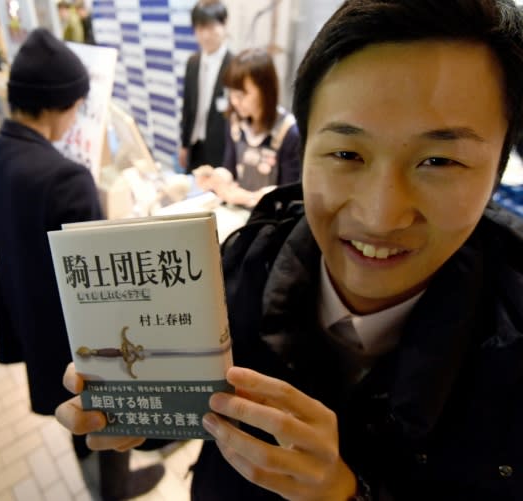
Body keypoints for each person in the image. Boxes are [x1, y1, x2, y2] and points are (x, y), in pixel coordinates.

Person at [55, 0, 523, 499]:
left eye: (439, 160)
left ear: (498, 168)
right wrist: (142, 413)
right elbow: (199, 412)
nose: (380, 215)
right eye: (346, 153)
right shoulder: (236, 270)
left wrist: (350, 495)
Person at [0, 28, 164, 500]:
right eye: (77, 106)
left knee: (66, 398)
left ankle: (82, 450)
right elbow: (99, 287)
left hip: (26, 308)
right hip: (70, 330)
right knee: (106, 407)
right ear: (58, 104)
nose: (78, 116)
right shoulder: (65, 177)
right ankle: (116, 489)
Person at [214, 47, 302, 208]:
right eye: (232, 94)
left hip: (270, 222)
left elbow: (290, 196)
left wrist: (248, 198)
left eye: (242, 95)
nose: (234, 101)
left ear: (265, 91)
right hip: (237, 213)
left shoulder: (288, 132)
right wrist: (218, 178)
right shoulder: (235, 123)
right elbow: (230, 168)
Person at [179, 0, 232, 173]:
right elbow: (187, 107)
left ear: (224, 25)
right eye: (200, 28)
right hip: (195, 146)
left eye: (211, 27)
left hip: (221, 151)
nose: (205, 35)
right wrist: (184, 144)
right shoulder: (192, 62)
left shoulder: (235, 66)